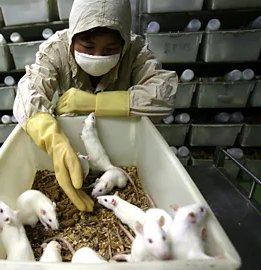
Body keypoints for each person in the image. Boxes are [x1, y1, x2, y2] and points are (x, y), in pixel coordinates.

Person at [13, 0, 178, 212]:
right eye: (88, 47)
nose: (97, 57)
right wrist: (52, 140)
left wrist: (96, 103)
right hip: (74, 135)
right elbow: (28, 90)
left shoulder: (135, 50)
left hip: (122, 140)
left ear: (124, 43)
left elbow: (164, 95)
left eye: (110, 49)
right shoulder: (57, 48)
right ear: (73, 38)